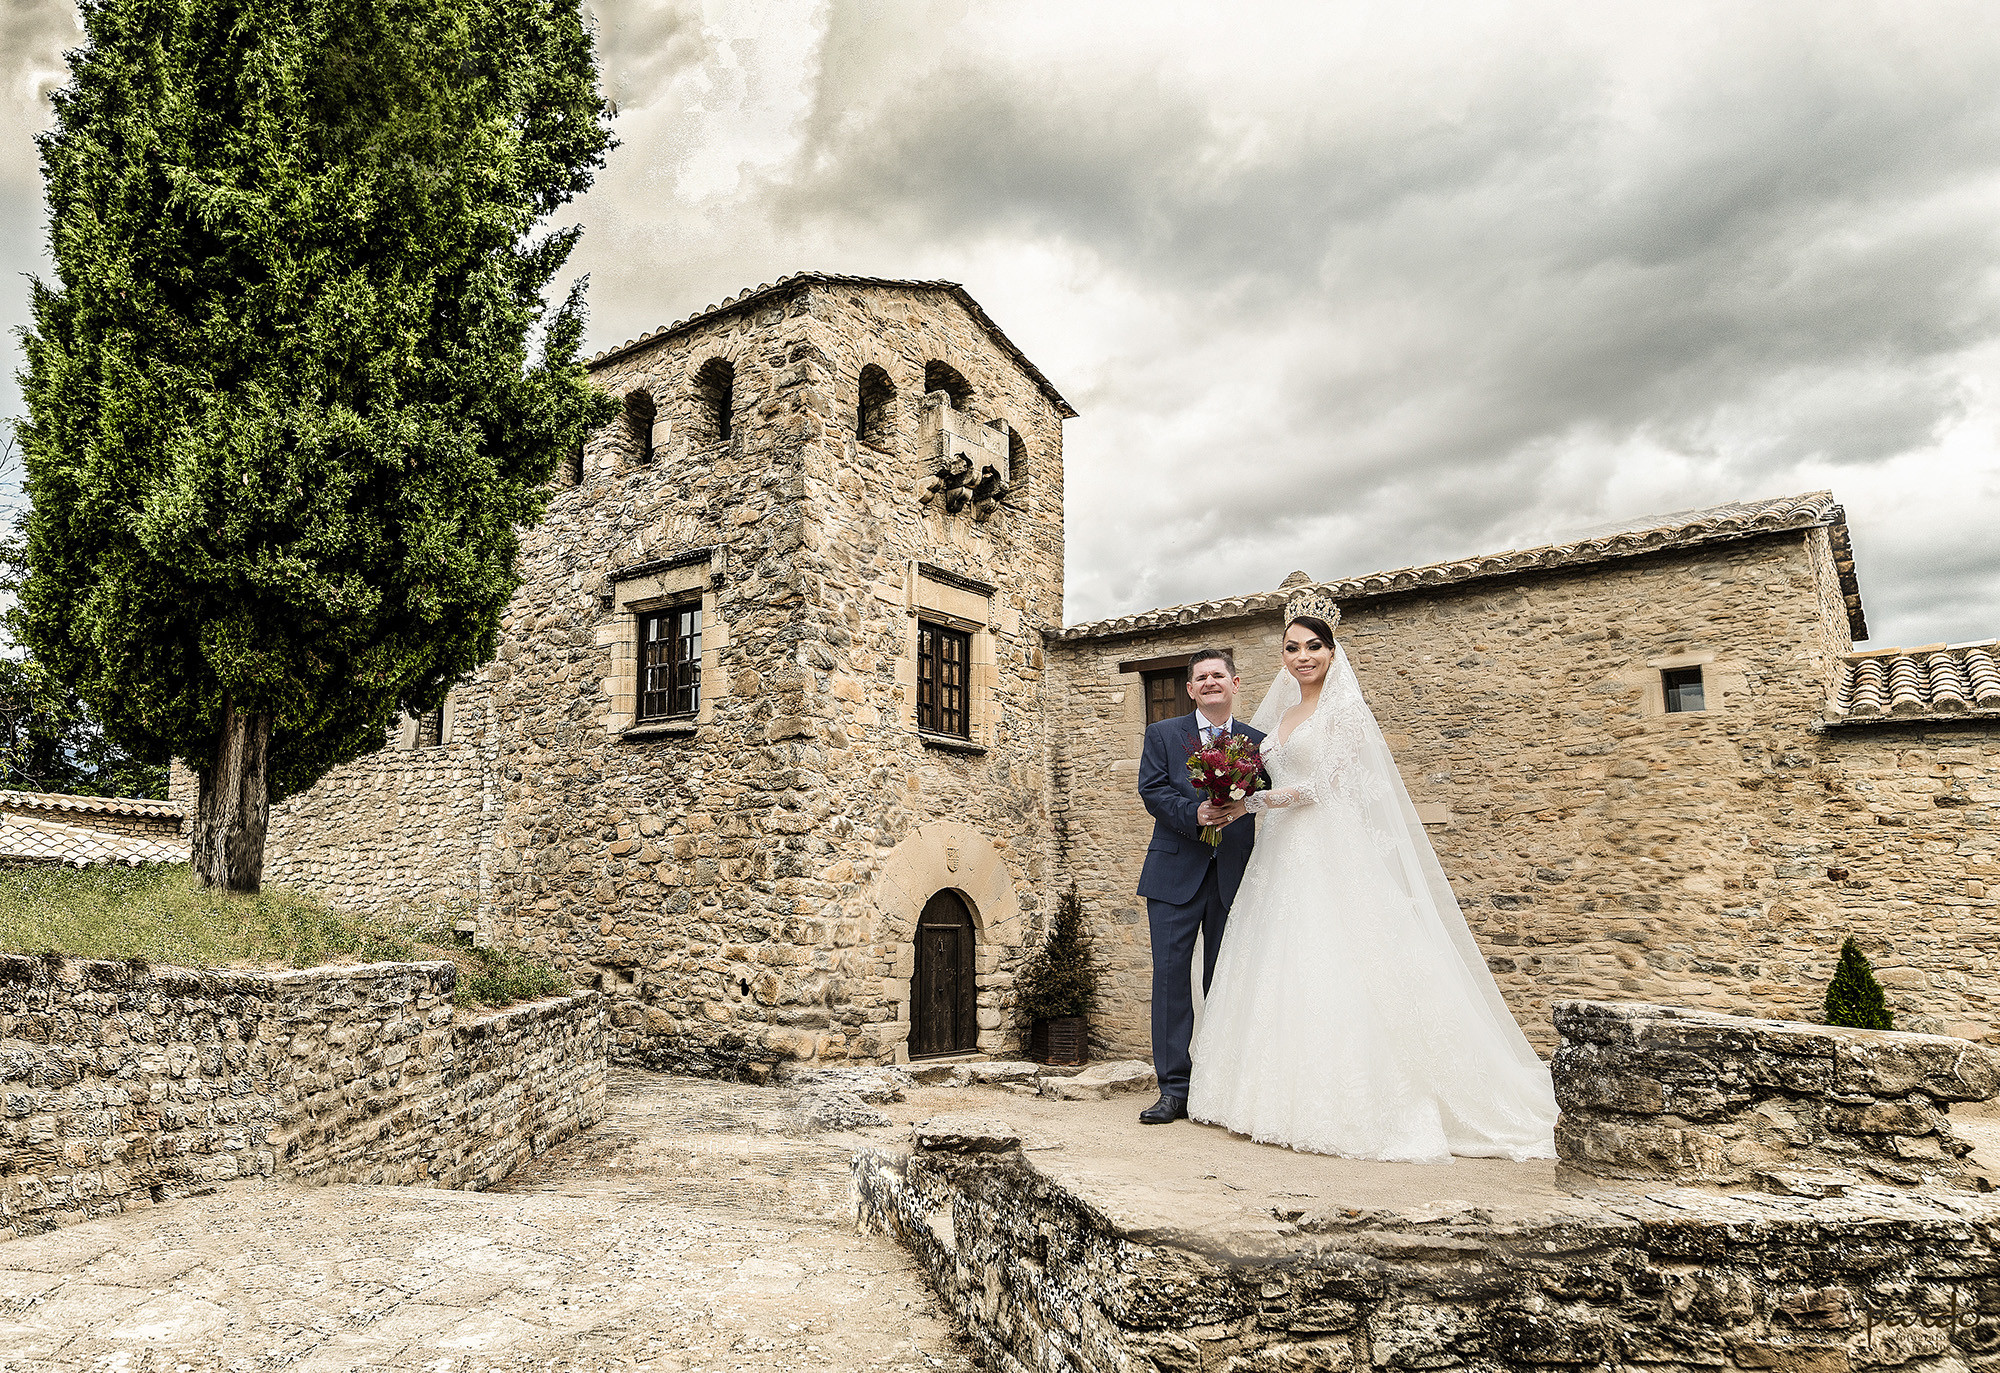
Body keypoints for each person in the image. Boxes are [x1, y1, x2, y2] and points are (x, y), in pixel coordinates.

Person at [1186, 610, 1558, 1162]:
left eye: (1314, 646)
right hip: (1280, 851)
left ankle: (1357, 1104)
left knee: (1341, 956)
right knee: (1278, 959)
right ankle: (1261, 1097)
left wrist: (1250, 803)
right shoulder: (1282, 715)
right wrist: (1233, 788)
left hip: (1327, 844)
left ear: (1333, 654)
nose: (1303, 656)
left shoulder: (1346, 713)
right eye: (1292, 649)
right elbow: (1266, 771)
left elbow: (1324, 784)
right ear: (1282, 659)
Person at [1133, 647, 1266, 1125]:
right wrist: (1194, 814)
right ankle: (1174, 1089)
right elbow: (1152, 789)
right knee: (1171, 982)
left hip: (1234, 875)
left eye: (1218, 675)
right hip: (1173, 875)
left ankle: (1219, 1084)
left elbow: (1265, 798)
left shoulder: (1258, 742)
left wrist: (1240, 808)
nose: (1210, 682)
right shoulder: (1163, 734)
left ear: (1234, 683)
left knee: (1225, 982)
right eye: (1201, 677)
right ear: (1190, 689)